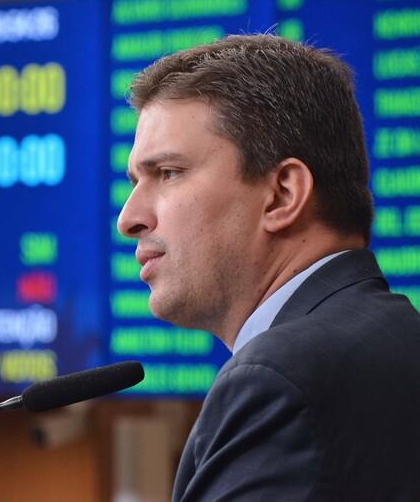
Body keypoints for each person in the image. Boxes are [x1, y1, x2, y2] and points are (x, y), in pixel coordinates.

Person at [117, 34, 420, 501]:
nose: (129, 218)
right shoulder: (397, 338)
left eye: (169, 173)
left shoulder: (278, 378)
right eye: (135, 180)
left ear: (282, 195)